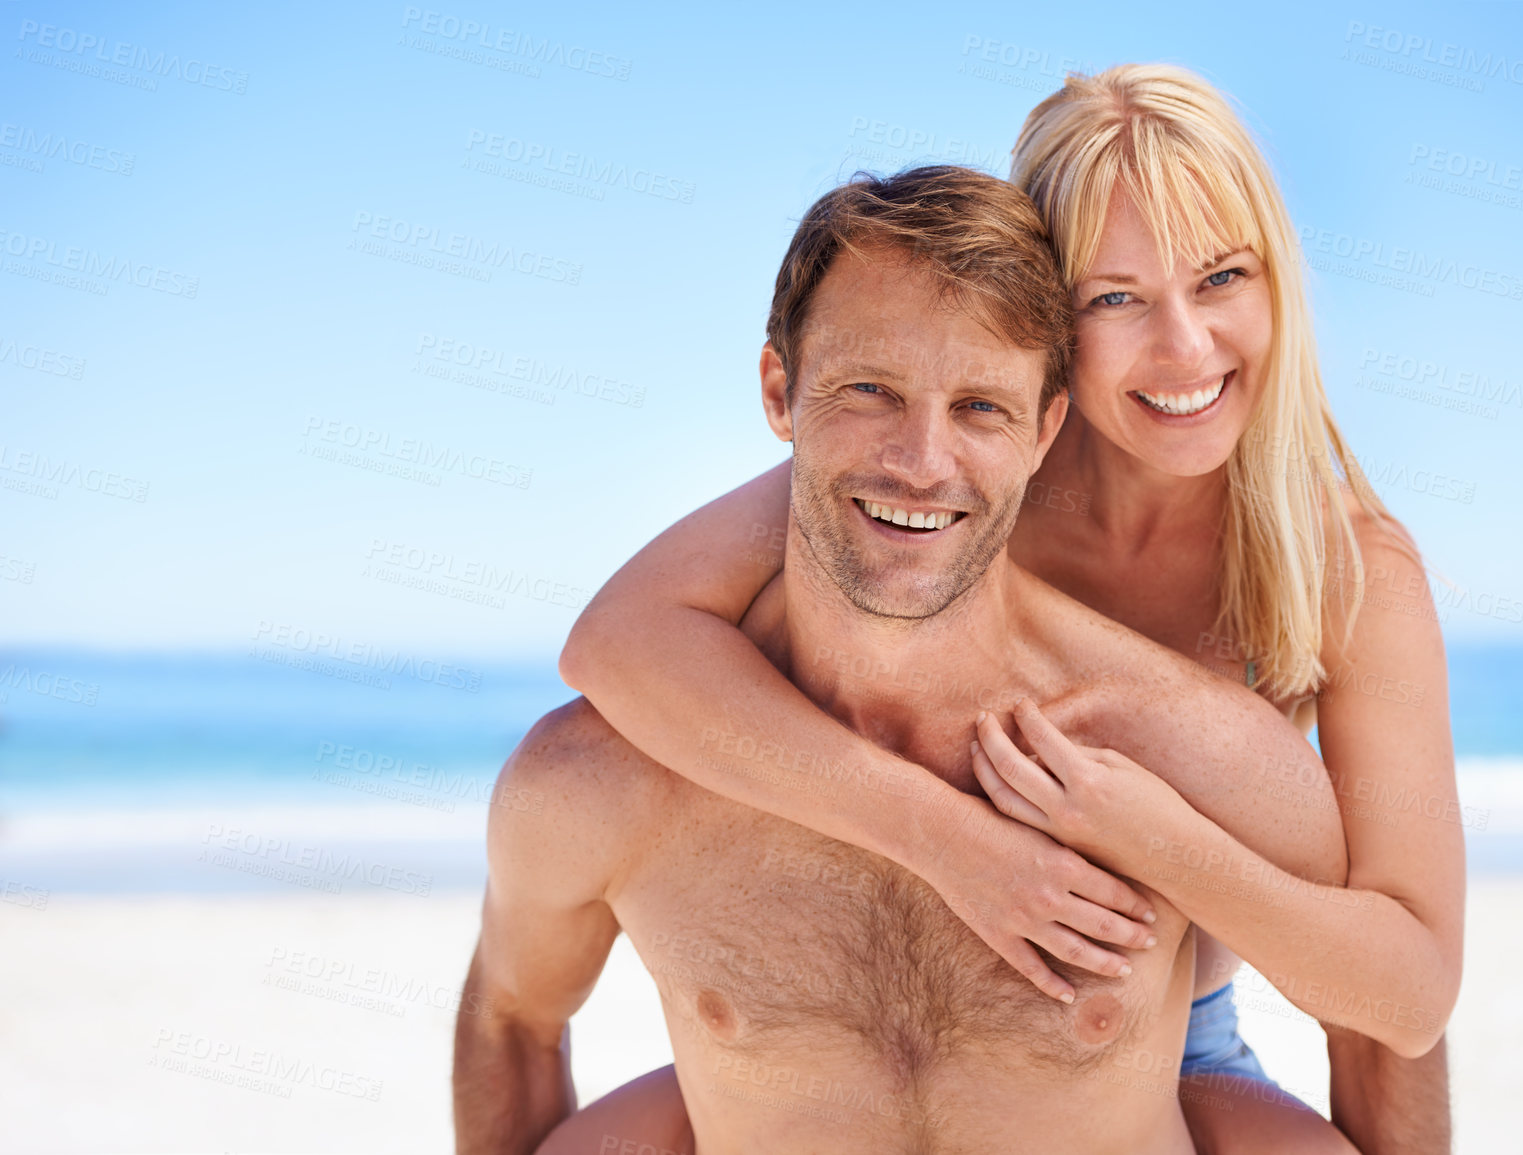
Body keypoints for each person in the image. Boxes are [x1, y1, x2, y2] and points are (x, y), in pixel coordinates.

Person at [558, 65, 1462, 1154]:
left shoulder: (1346, 570)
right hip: (884, 1003)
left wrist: (1152, 836)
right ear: (1046, 325)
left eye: (1222, 277)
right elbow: (620, 642)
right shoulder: (966, 474)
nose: (1183, 347)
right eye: (1115, 297)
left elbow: (1405, 994)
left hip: (1169, 1033)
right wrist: (946, 840)